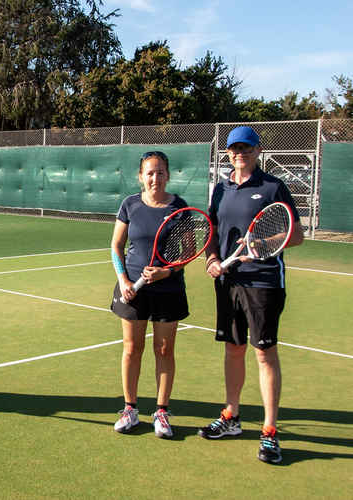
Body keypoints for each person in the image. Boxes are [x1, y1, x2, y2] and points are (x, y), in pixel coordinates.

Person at [199, 126, 304, 464]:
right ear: (227, 153)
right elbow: (211, 231)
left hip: (263, 281)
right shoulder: (221, 189)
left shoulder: (273, 186)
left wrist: (262, 245)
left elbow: (296, 235)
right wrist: (213, 259)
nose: (239, 153)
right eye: (233, 149)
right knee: (233, 349)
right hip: (229, 282)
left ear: (257, 151)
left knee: (263, 353)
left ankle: (270, 432)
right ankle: (231, 416)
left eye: (246, 148)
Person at [109, 151, 191, 439]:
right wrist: (123, 280)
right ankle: (130, 409)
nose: (155, 178)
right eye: (149, 173)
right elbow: (116, 245)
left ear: (168, 175)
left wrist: (166, 273)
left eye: (160, 172)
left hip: (169, 289)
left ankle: (162, 412)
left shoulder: (180, 207)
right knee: (132, 349)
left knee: (164, 350)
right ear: (140, 176)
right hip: (133, 290)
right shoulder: (130, 204)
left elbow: (189, 253)